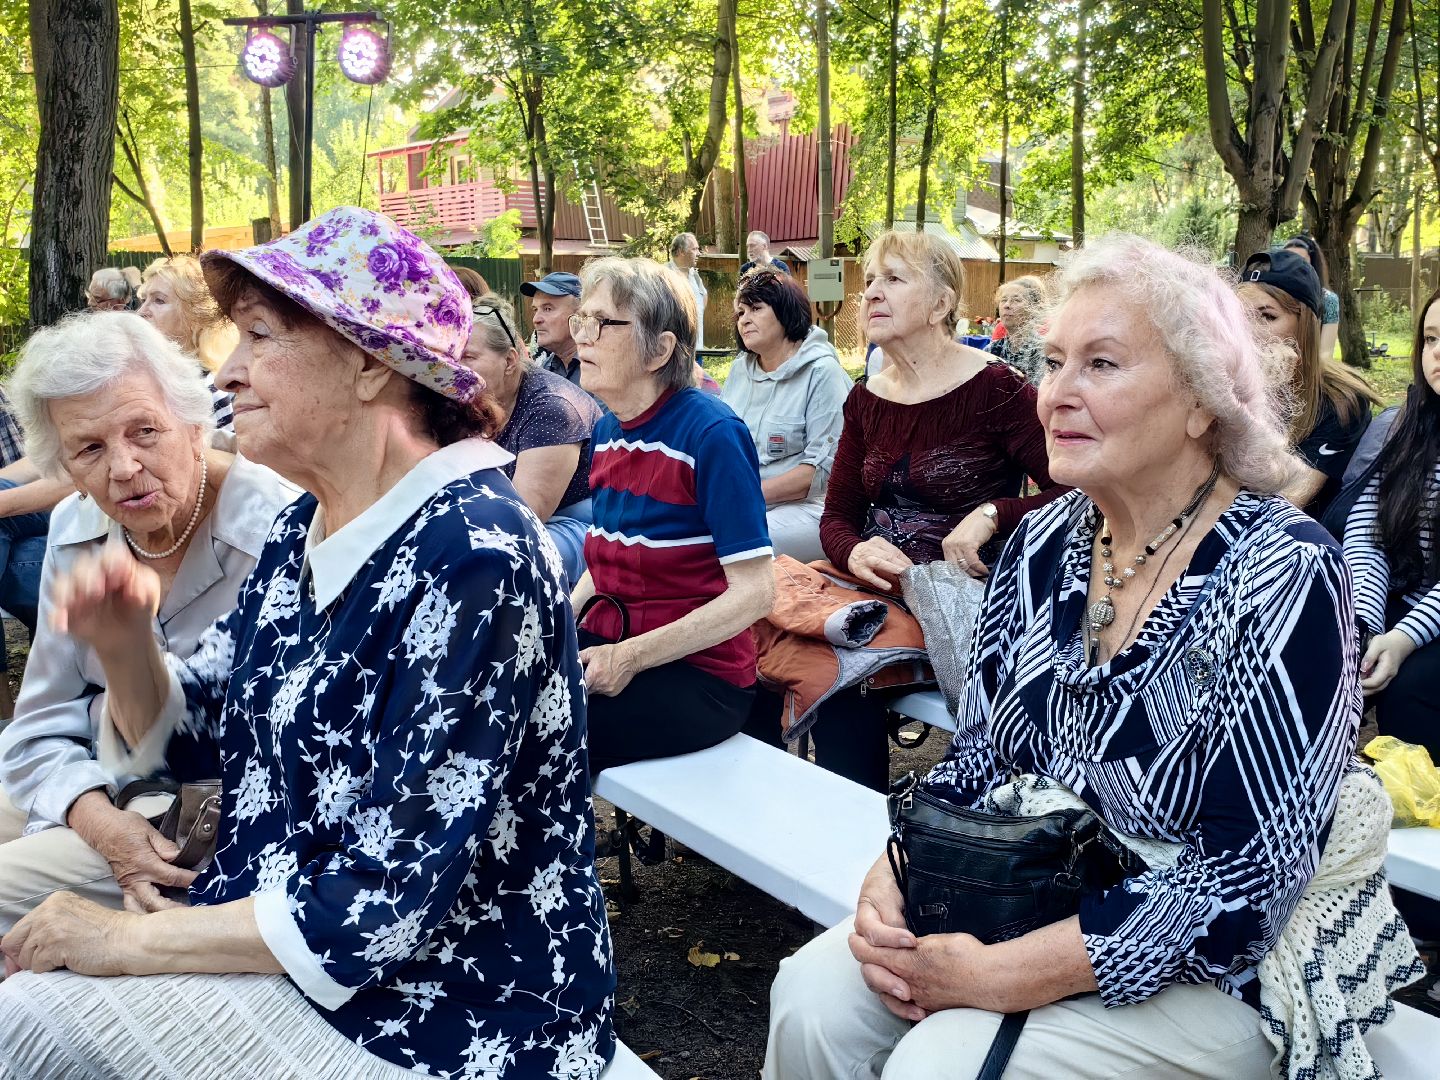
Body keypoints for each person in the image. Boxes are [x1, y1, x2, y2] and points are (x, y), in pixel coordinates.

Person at [0, 208, 616, 1079]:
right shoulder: (308, 525)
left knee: (19, 1025)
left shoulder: (477, 555)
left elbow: (378, 910)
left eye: (258, 335)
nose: (228, 371)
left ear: (370, 364)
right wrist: (126, 650)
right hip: (288, 949)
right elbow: (198, 734)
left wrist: (126, 939)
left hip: (440, 1016)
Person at [765, 233, 1368, 1079]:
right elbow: (980, 755)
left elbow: (1243, 884)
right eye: (1052, 363)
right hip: (1021, 882)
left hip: (1214, 968)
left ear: (1203, 400)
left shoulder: (1286, 572)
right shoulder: (1041, 542)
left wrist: (1002, 975)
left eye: (1102, 365)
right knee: (812, 1000)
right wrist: (892, 875)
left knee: (941, 1065)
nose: (1055, 397)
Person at [0, 312, 299, 933]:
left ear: (194, 425)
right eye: (90, 448)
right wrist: (93, 815)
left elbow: (261, 754)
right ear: (66, 469)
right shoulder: (75, 530)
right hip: (99, 782)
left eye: (144, 431)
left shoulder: (282, 528)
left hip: (206, 812)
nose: (123, 467)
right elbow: (39, 724)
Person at [766, 230, 1065, 792]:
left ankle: (860, 848)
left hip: (960, 596)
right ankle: (764, 826)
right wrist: (853, 549)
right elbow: (836, 517)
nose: (871, 293)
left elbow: (1077, 494)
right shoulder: (867, 397)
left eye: (894, 279)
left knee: (839, 669)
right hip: (873, 586)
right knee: (757, 628)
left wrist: (994, 514)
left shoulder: (998, 389)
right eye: (871, 279)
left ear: (942, 303)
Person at [570, 256, 775, 779]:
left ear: (660, 349)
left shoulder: (710, 434)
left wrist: (631, 657)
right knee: (489, 695)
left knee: (535, 735)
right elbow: (607, 559)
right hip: (613, 645)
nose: (582, 337)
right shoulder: (608, 429)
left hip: (699, 676)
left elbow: (755, 593)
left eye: (601, 323)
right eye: (581, 320)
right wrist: (559, 626)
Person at [1342, 286, 1440, 761]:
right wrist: (1362, 624)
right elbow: (1369, 533)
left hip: (1427, 616)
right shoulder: (1407, 425)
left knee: (1410, 688)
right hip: (1410, 599)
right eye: (1431, 339)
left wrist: (1402, 639)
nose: (1437, 353)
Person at [462, 293, 601, 587]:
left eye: (468, 357)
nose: (456, 368)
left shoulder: (553, 406)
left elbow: (524, 514)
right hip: (509, 517)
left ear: (510, 361)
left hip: (581, 525)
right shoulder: (475, 401)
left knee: (494, 562)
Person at [720, 268, 851, 563]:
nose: (745, 319)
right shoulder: (741, 370)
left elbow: (820, 473)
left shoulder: (822, 372)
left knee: (739, 544)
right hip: (744, 501)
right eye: (740, 312)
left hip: (812, 508)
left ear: (785, 310)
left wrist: (741, 497)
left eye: (755, 308)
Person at [1237, 249, 1379, 522]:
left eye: (1267, 317)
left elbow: (1286, 501)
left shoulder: (1341, 402)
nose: (1249, 332)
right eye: (1241, 318)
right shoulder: (1224, 388)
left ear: (1306, 327)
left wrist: (1264, 401)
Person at [138, 254, 238, 431]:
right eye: (143, 300)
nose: (141, 311)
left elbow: (225, 457)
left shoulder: (211, 391)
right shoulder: (141, 377)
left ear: (194, 317)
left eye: (158, 300)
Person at [1283, 233, 1341, 359]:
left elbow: (1326, 354)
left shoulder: (1328, 300)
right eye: (1288, 259)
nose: (1294, 266)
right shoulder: (1272, 296)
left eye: (1301, 261)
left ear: (1313, 263)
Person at [523, 270, 585, 384]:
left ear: (579, 315)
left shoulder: (600, 366)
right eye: (535, 309)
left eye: (548, 309)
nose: (536, 319)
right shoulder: (544, 370)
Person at [986, 275, 1047, 383]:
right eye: (1003, 300)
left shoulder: (1043, 352)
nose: (1007, 305)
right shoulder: (992, 350)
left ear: (1034, 308)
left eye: (1016, 300)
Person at [667, 232, 709, 349]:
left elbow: (703, 297)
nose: (698, 253)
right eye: (694, 249)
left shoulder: (694, 274)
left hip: (697, 346)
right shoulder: (665, 275)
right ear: (681, 252)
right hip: (675, 349)